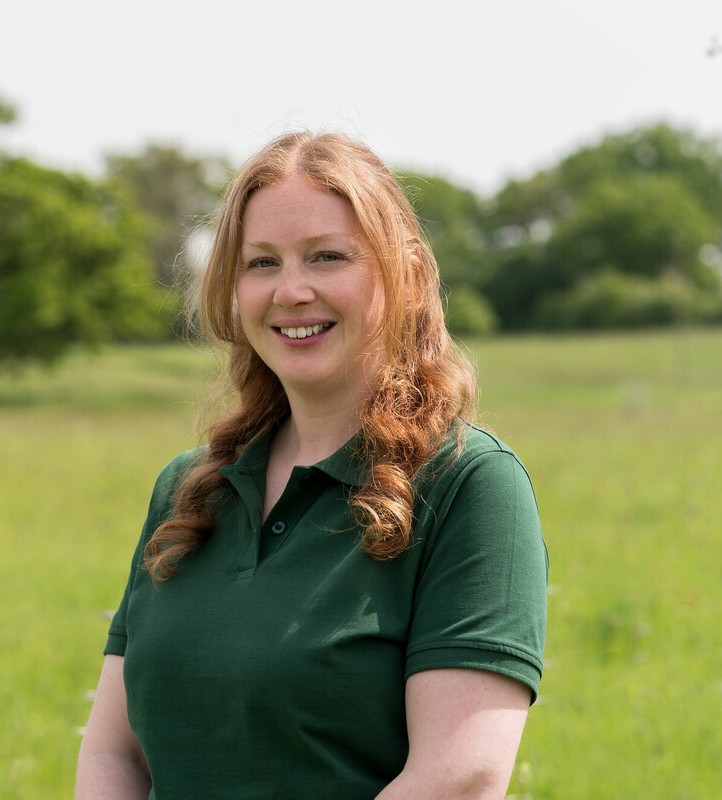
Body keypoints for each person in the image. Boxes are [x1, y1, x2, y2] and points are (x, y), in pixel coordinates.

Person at [75, 131, 548, 800]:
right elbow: (112, 754)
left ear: (404, 275)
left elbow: (458, 776)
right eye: (261, 263)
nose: (291, 290)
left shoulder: (469, 486)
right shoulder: (187, 491)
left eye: (327, 257)